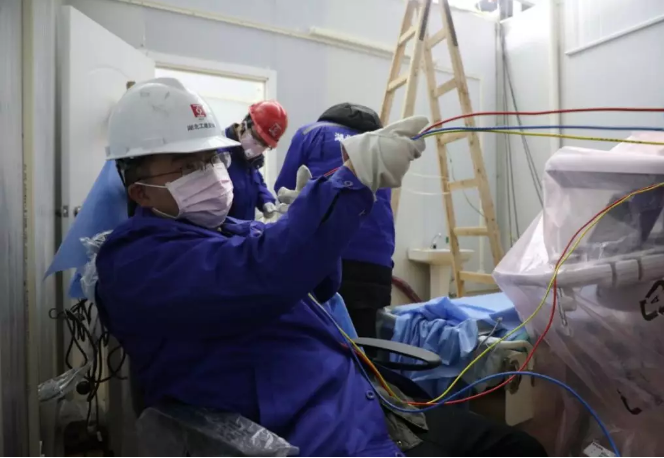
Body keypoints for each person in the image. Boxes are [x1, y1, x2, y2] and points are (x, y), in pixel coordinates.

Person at [93, 78, 545, 457]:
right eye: (188, 165)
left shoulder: (224, 231)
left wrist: (300, 222)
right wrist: (348, 182)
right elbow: (263, 273)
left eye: (212, 159)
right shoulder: (135, 263)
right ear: (141, 192)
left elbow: (322, 284)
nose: (210, 173)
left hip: (361, 404)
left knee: (516, 446)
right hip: (318, 433)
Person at [275, 103, 394, 338]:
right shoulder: (381, 147)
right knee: (365, 344)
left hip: (325, 254)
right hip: (376, 263)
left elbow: (283, 189)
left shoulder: (310, 133)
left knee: (316, 339)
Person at [224, 100, 287, 220]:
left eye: (265, 145)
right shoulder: (217, 152)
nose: (258, 147)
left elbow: (257, 184)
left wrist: (266, 201)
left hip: (243, 228)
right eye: (257, 138)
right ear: (245, 124)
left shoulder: (249, 159)